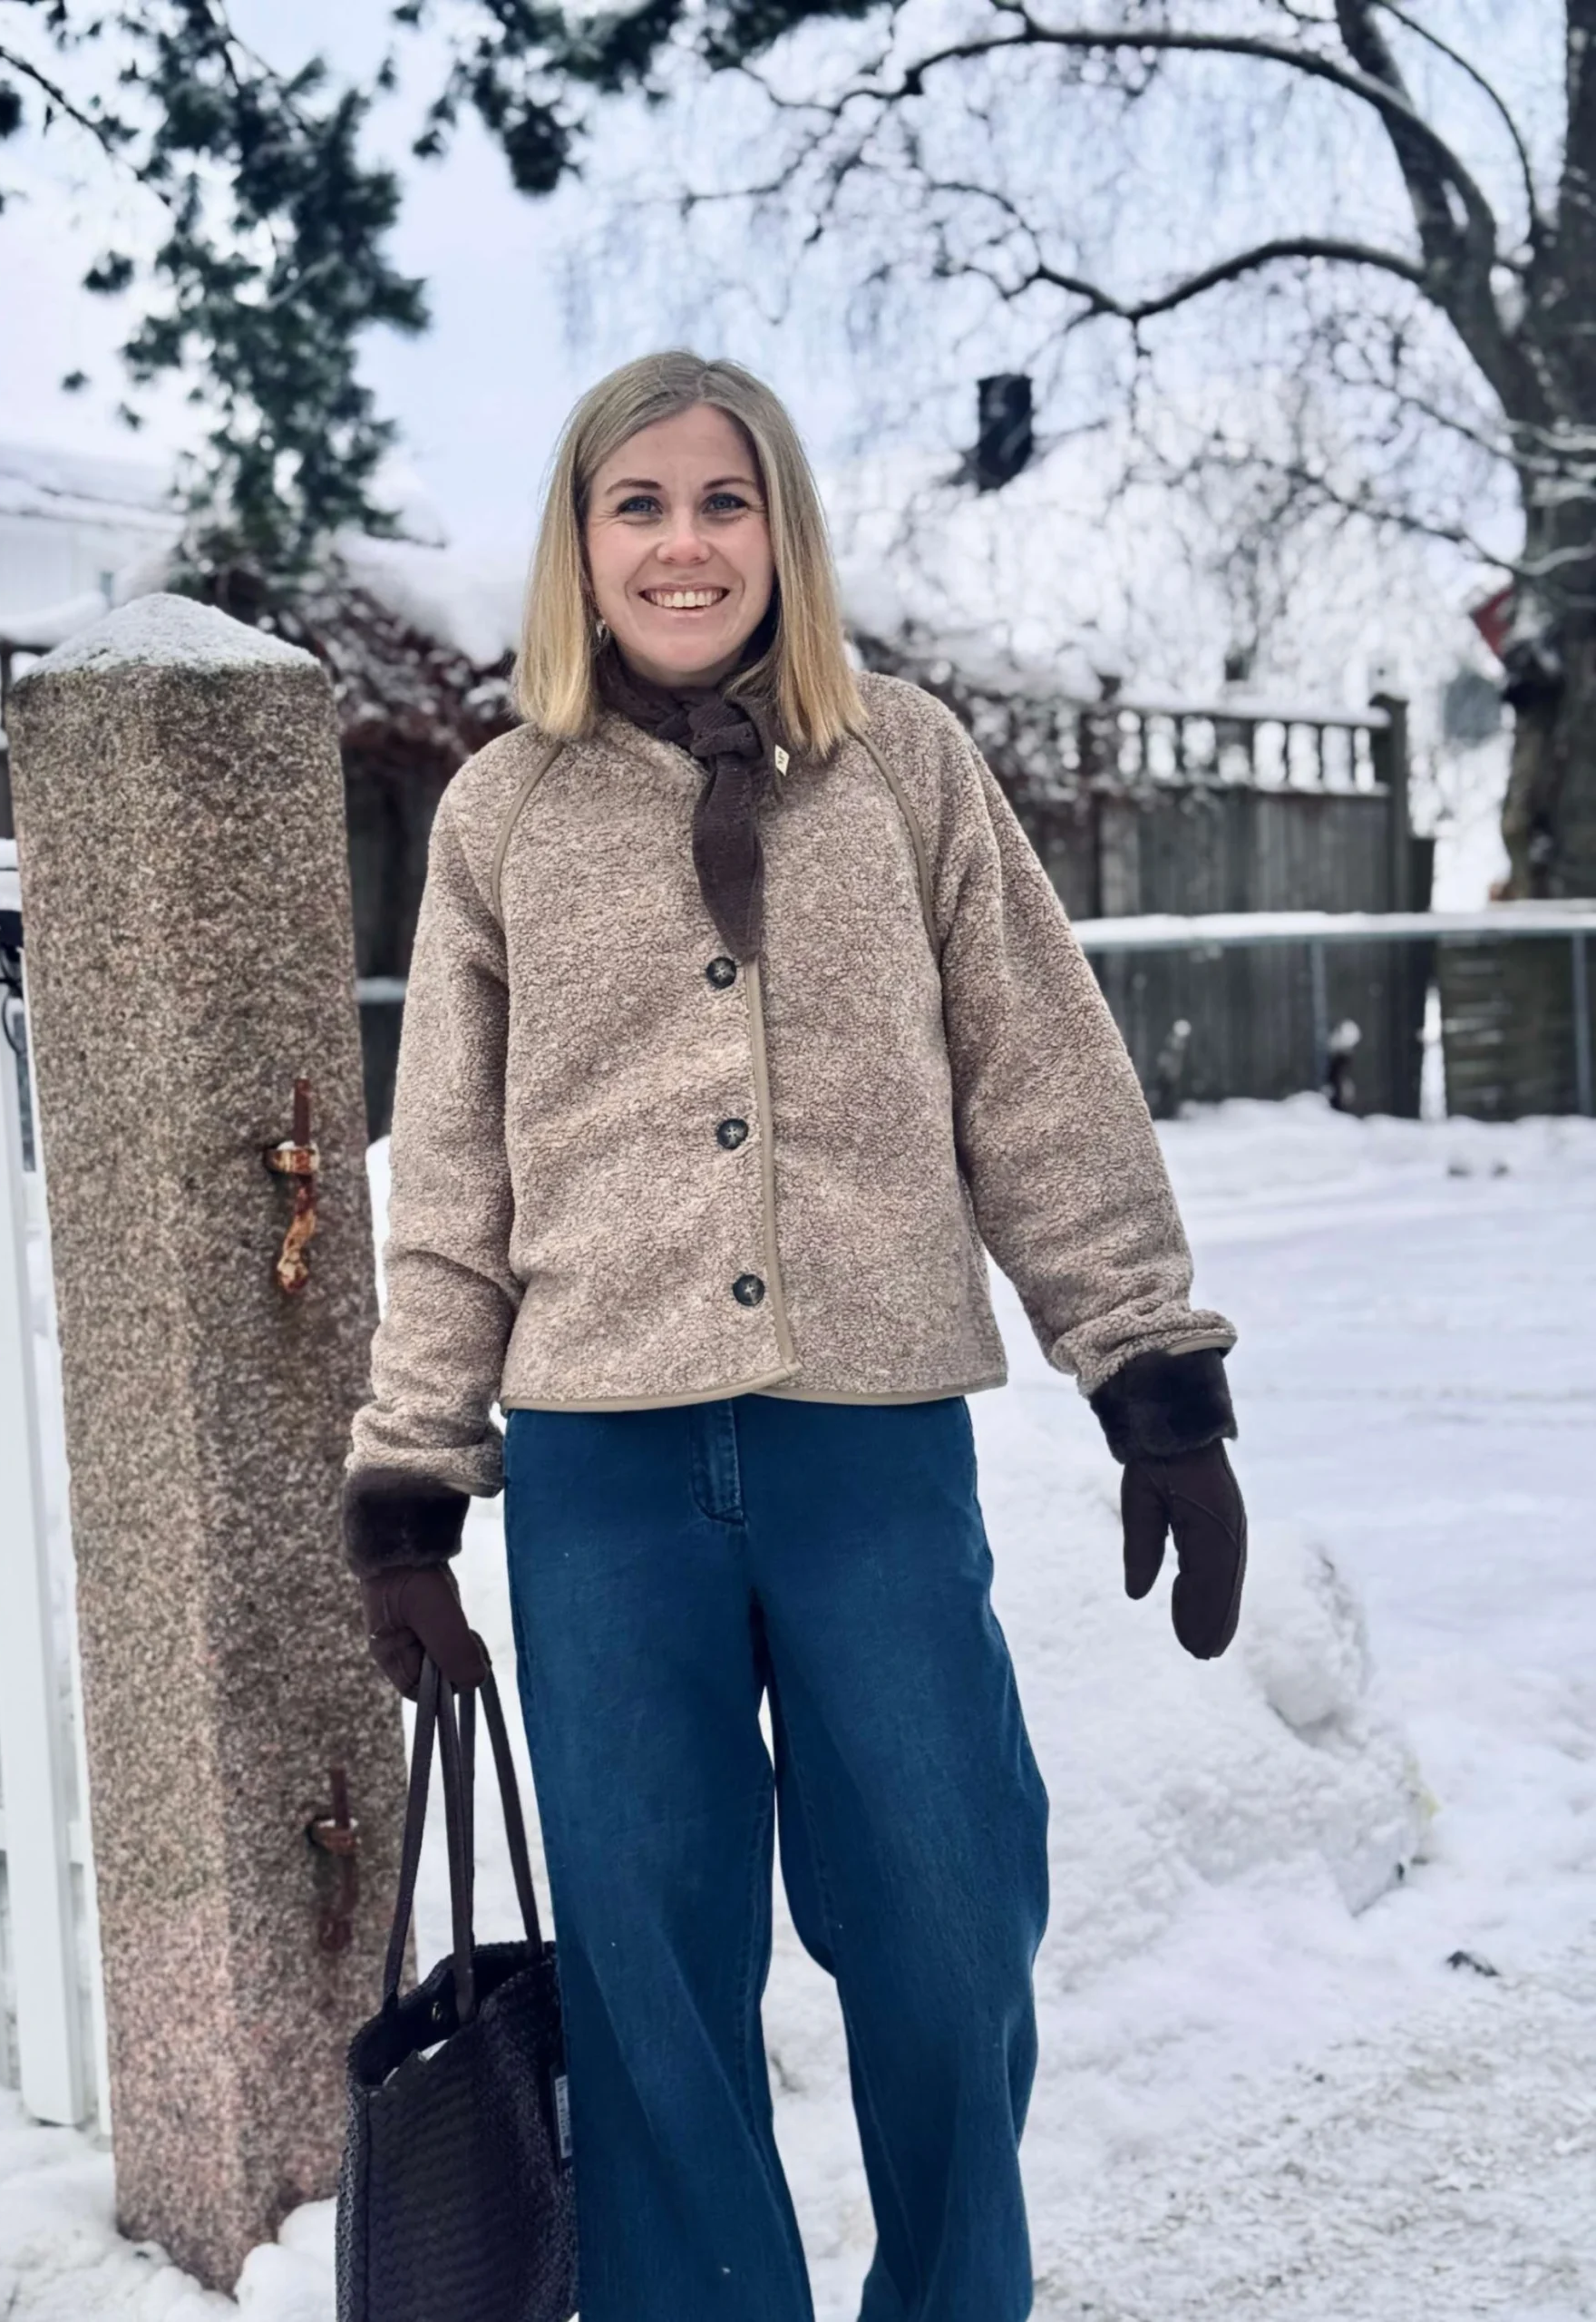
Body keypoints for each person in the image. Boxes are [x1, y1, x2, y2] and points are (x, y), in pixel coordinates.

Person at [343, 349, 1248, 2322]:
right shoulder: (500, 810)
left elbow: (1036, 1077)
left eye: (722, 500)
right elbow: (460, 1179)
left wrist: (1150, 1377)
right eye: (638, 505)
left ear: (782, 530)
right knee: (652, 1981)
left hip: (868, 1451)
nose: (682, 544)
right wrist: (410, 1484)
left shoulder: (903, 762)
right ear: (580, 542)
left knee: (949, 1912)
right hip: (602, 1475)